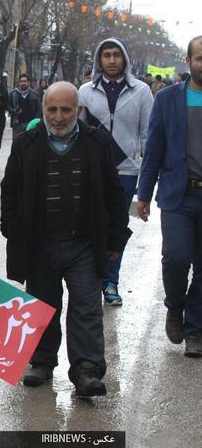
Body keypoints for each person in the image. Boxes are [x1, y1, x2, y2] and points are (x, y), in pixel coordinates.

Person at [1, 82, 131, 396]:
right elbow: (10, 190)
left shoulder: (98, 142)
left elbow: (115, 193)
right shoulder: (25, 144)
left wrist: (115, 238)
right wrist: (12, 230)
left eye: (66, 110)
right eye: (52, 110)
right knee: (43, 306)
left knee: (87, 308)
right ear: (43, 110)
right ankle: (42, 362)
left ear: (78, 111)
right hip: (41, 244)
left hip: (84, 244)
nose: (58, 117)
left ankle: (86, 370)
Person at [137, 35, 202, 357]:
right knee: (177, 259)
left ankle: (195, 329)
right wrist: (144, 194)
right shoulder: (168, 99)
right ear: (188, 61)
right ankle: (175, 306)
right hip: (179, 195)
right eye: (200, 58)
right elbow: (154, 150)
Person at [78, 37, 154, 305]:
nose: (111, 60)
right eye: (106, 55)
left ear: (125, 59)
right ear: (99, 59)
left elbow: (148, 135)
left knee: (116, 227)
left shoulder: (142, 91)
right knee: (91, 223)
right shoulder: (85, 91)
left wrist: (146, 175)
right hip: (92, 171)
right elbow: (78, 133)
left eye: (116, 55)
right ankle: (91, 279)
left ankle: (111, 282)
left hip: (126, 171)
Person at [7, 73, 42, 138]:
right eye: (21, 81)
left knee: (30, 145)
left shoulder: (34, 94)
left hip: (31, 124)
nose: (23, 83)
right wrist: (14, 111)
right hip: (17, 123)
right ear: (19, 82)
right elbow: (8, 106)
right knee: (17, 144)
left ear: (28, 82)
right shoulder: (14, 94)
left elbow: (38, 109)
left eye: (25, 81)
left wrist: (36, 122)